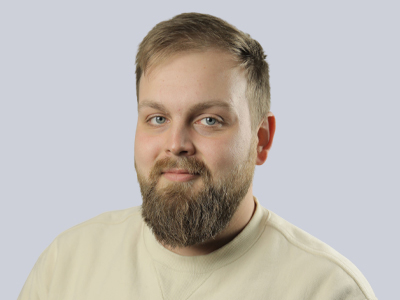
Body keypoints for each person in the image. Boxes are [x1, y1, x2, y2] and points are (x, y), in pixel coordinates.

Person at [18, 13, 377, 300]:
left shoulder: (327, 290)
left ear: (261, 141)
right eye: (157, 118)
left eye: (210, 120)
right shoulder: (67, 263)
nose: (176, 144)